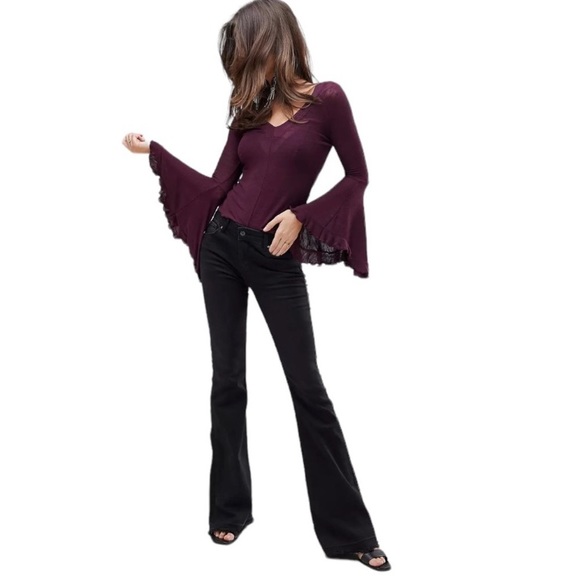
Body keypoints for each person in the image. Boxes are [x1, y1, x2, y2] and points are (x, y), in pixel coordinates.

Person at [122, 0, 390, 572]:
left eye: (247, 53)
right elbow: (219, 185)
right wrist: (156, 152)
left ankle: (350, 535)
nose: (243, 68)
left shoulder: (327, 101)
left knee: (308, 389)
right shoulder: (248, 110)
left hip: (274, 257)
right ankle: (229, 509)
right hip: (222, 246)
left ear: (273, 41)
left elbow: (358, 176)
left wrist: (302, 216)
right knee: (228, 381)